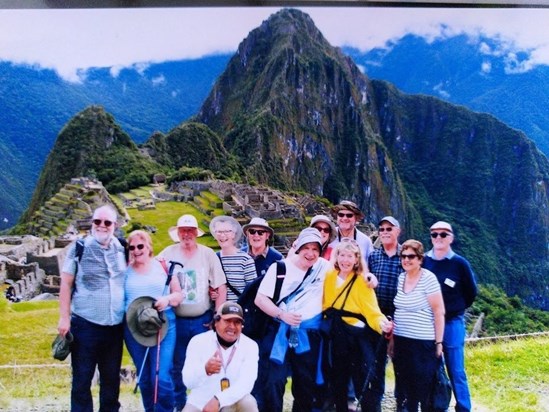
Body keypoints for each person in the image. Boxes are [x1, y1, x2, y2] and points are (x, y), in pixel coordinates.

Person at [57, 204, 127, 411]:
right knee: (81, 380)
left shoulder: (122, 248)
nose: (102, 226)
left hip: (114, 327)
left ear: (115, 225)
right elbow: (66, 284)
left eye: (107, 222)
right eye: (97, 221)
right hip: (85, 326)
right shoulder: (79, 248)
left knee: (111, 381)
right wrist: (64, 317)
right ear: (92, 223)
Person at [254, 227, 331, 412]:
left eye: (315, 249)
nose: (311, 254)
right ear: (298, 247)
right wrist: (282, 315)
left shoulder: (324, 267)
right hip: (280, 332)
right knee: (274, 381)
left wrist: (369, 279)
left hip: (309, 334)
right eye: (307, 248)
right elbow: (260, 299)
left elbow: (347, 275)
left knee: (305, 383)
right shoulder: (281, 268)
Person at [158, 214, 227, 412]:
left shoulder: (207, 254)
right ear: (177, 233)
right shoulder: (167, 254)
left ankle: (206, 405)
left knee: (207, 363)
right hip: (176, 321)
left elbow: (220, 287)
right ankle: (180, 405)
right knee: (177, 365)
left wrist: (217, 317)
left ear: (196, 233)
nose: (187, 234)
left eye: (190, 231)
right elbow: (154, 274)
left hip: (202, 320)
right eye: (183, 231)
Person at [323, 239, 393, 412]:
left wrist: (382, 324)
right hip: (335, 334)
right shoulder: (329, 277)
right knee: (337, 378)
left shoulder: (362, 281)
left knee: (361, 378)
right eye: (342, 255)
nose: (345, 260)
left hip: (354, 337)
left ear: (356, 259)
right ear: (337, 256)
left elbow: (372, 311)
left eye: (350, 256)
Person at [123, 230, 183, 412]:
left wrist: (166, 300)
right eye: (131, 247)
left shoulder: (162, 266)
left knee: (161, 376)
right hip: (135, 328)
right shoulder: (125, 272)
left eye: (140, 246)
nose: (136, 250)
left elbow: (179, 294)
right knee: (145, 377)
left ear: (148, 246)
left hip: (162, 325)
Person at [423, 221, 478, 412]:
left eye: (443, 234)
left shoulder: (460, 264)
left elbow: (471, 292)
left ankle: (463, 407)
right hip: (428, 323)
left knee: (456, 369)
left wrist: (456, 308)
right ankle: (435, 405)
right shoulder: (424, 261)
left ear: (451, 238)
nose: (438, 238)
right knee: (431, 367)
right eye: (434, 234)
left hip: (452, 322)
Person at [389, 239, 445, 412]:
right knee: (403, 388)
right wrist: (392, 341)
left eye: (411, 256)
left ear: (420, 259)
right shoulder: (401, 278)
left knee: (422, 389)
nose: (406, 260)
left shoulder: (428, 278)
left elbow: (438, 311)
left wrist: (438, 343)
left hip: (423, 342)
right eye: (403, 256)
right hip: (401, 340)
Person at [182, 301, 259, 412]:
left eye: (237, 322)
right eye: (227, 321)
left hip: (233, 401)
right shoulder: (197, 341)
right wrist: (205, 370)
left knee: (248, 402)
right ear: (216, 322)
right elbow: (188, 382)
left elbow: (246, 383)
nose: (232, 327)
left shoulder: (250, 346)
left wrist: (219, 400)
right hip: (201, 403)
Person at [366, 216, 403, 411]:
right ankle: (375, 405)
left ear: (398, 231)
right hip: (377, 317)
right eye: (382, 229)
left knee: (401, 364)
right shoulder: (373, 256)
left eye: (389, 228)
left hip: (401, 318)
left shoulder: (406, 255)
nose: (385, 232)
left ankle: (402, 404)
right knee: (377, 363)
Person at [210, 216, 257, 302]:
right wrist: (212, 294)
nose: (222, 235)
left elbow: (253, 291)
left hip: (239, 311)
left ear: (233, 234)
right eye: (219, 232)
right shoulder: (213, 258)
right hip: (219, 311)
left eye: (227, 231)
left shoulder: (245, 260)